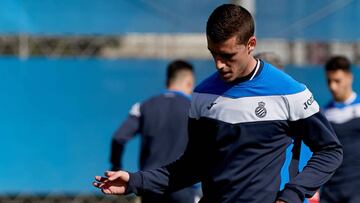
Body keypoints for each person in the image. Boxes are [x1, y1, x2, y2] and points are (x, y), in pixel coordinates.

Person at [93, 4, 343, 203]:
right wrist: (134, 182)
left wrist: (290, 197)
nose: (219, 64)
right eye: (214, 54)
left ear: (251, 45)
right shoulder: (202, 95)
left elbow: (330, 151)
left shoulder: (291, 92)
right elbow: (192, 166)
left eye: (228, 56)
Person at [109, 59, 198, 203]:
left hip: (150, 185)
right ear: (189, 82)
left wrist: (116, 166)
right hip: (184, 188)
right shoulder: (195, 109)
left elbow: (118, 138)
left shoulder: (144, 106)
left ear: (167, 81)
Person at [320, 56, 360, 203]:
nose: (332, 86)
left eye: (337, 81)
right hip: (331, 192)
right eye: (329, 81)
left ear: (349, 78)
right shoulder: (323, 114)